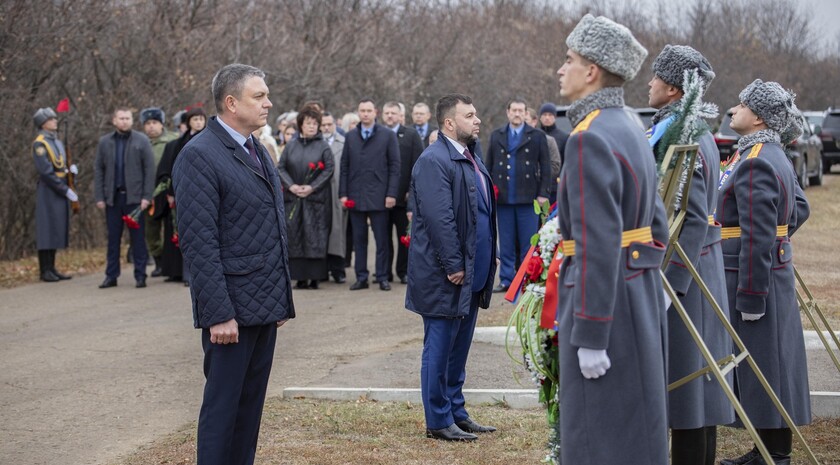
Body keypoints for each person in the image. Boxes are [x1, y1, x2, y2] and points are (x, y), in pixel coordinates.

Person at [554, 14, 670, 464]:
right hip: (635, 291)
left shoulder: (588, 137)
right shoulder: (628, 124)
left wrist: (591, 333)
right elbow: (655, 222)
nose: (561, 70)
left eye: (570, 60)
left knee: (596, 436)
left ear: (592, 71)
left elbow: (595, 246)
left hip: (604, 303)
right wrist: (649, 278)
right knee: (636, 430)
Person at [172, 63, 294, 465]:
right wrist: (219, 313)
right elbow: (199, 243)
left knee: (249, 410)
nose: (268, 102)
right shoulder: (200, 156)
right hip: (230, 314)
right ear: (230, 102)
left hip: (261, 305)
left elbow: (268, 226)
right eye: (258, 96)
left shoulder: (255, 148)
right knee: (223, 410)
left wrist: (278, 301)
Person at [647, 44, 733, 465]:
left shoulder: (687, 134)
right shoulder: (682, 127)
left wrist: (671, 282)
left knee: (687, 390)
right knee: (693, 392)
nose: (649, 83)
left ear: (675, 89)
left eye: (656, 77)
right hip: (694, 270)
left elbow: (693, 216)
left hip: (687, 277)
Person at [717, 80, 811, 465]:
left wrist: (752, 293)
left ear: (757, 117)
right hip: (768, 272)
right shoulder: (767, 153)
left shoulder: (756, 158)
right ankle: (765, 451)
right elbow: (799, 208)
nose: (732, 110)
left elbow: (757, 234)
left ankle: (776, 455)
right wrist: (781, 240)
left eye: (741, 105)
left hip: (755, 278)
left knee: (767, 368)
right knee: (768, 366)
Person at [406, 93, 497, 442]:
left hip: (473, 272)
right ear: (449, 123)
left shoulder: (471, 156)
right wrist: (454, 265)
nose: (477, 121)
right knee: (440, 347)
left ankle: (457, 412)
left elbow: (482, 212)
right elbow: (439, 218)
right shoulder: (434, 160)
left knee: (458, 350)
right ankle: (439, 420)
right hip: (447, 274)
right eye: (469, 115)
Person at [486, 98, 551, 293]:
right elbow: (488, 165)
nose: (517, 113)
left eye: (520, 110)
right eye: (513, 110)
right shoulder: (496, 135)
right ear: (507, 112)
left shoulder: (537, 136)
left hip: (528, 197)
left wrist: (543, 193)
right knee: (505, 242)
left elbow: (546, 167)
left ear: (525, 113)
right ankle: (506, 279)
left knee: (528, 242)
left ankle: (526, 279)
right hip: (504, 198)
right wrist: (489, 191)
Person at [339, 98, 400, 291]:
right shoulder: (351, 136)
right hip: (356, 195)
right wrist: (343, 193)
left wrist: (391, 193)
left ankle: (382, 276)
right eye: (362, 110)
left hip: (380, 195)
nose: (365, 114)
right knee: (359, 239)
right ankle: (361, 277)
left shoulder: (387, 135)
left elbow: (394, 167)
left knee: (382, 239)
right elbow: (344, 167)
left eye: (368, 110)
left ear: (376, 112)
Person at [94, 107, 155, 289]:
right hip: (113, 199)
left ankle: (140, 275)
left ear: (131, 120)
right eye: (121, 118)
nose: (124, 121)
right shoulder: (105, 142)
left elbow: (149, 170)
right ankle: (111, 276)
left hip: (135, 200)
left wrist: (147, 196)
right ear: (114, 120)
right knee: (113, 240)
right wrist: (99, 196)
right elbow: (99, 170)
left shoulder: (141, 140)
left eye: (127, 118)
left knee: (138, 240)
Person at [277, 104, 335, 289]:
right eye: (308, 123)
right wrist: (291, 186)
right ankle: (299, 277)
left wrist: (312, 187)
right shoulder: (291, 145)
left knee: (315, 235)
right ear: (301, 124)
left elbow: (328, 169)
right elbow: (281, 167)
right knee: (295, 235)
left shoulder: (323, 146)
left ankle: (315, 277)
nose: (312, 126)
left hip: (315, 199)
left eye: (315, 123)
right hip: (293, 198)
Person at [155, 106, 207, 283]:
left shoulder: (211, 141)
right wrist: (171, 192)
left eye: (201, 119)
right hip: (182, 192)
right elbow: (173, 169)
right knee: (183, 232)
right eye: (195, 119)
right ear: (188, 122)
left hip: (204, 192)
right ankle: (182, 272)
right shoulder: (178, 144)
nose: (199, 122)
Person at [32, 107, 76, 282]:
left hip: (59, 188)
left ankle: (52, 268)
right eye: (52, 119)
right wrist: (64, 189)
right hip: (49, 189)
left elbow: (60, 165)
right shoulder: (40, 143)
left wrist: (71, 172)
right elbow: (46, 172)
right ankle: (45, 270)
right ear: (44, 123)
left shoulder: (56, 142)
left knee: (56, 229)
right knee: (46, 230)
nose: (55, 121)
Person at [382, 101, 424, 284]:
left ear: (401, 115)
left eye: (393, 113)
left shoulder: (411, 135)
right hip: (381, 197)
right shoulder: (379, 134)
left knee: (403, 238)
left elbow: (418, 166)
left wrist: (411, 193)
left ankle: (402, 271)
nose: (390, 116)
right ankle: (384, 272)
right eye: (387, 113)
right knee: (383, 239)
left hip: (404, 196)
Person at [141, 107, 179, 278]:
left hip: (169, 187)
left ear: (162, 124)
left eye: (154, 122)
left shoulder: (173, 139)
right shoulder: (141, 142)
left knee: (172, 225)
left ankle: (173, 264)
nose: (151, 127)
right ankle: (158, 261)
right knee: (151, 227)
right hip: (150, 191)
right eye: (147, 123)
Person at [322, 111, 348, 283]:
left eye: (329, 124)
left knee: (338, 232)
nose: (326, 128)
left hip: (338, 192)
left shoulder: (344, 142)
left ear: (335, 125)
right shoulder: (315, 143)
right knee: (321, 231)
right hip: (319, 194)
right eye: (323, 125)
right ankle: (322, 270)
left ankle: (338, 269)